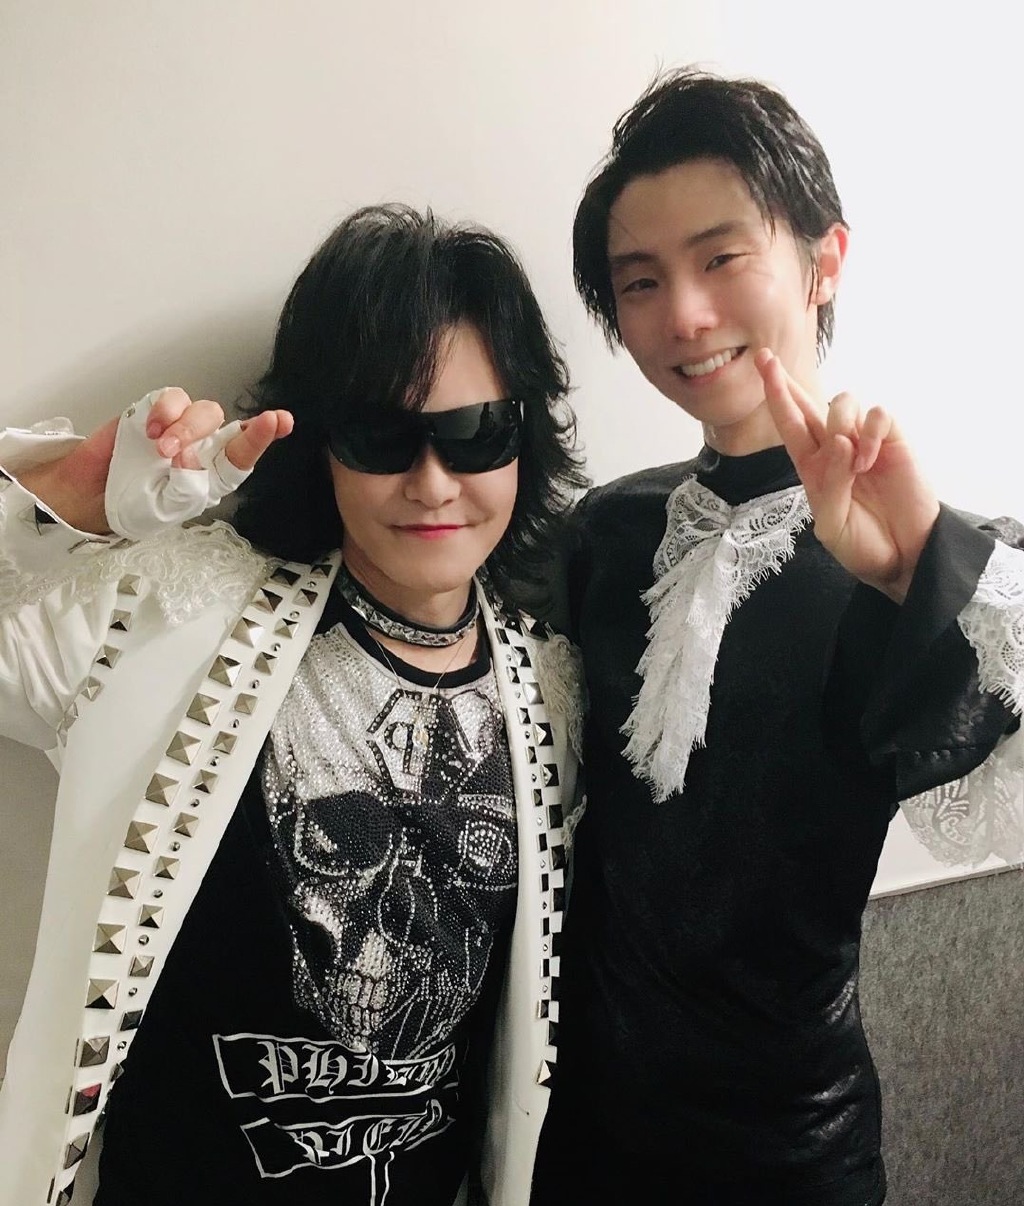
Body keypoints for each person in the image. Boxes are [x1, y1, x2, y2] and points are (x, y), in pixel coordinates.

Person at [0, 203, 588, 1206]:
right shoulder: (173, 618)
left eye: (475, 432)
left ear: (523, 439)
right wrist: (59, 498)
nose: (433, 482)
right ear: (319, 443)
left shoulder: (554, 694)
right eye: (380, 435)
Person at [529, 67, 1024, 1205]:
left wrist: (911, 565)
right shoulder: (604, 532)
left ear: (823, 260)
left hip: (794, 1153)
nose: (683, 316)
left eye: (721, 258)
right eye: (640, 281)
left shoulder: (930, 551)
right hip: (577, 1140)